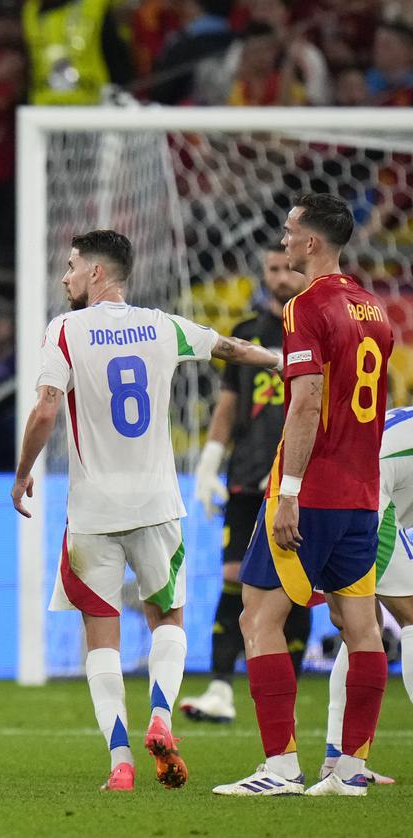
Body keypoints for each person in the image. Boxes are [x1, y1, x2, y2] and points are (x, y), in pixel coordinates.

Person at [11, 229, 283, 793]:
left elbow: (43, 410)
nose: (64, 277)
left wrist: (22, 475)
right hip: (158, 503)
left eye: (71, 266)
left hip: (92, 511)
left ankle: (121, 763)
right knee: (169, 618)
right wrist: (280, 359)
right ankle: (161, 715)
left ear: (97, 274)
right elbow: (231, 349)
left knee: (100, 635)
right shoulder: (163, 325)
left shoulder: (64, 330)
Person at [213, 193, 393, 798]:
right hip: (362, 493)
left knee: (258, 618)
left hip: (310, 491)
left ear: (311, 242)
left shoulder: (304, 307)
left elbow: (311, 402)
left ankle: (280, 768)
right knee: (359, 626)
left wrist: (288, 490)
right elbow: (358, 391)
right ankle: (348, 772)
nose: (285, 239)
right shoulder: (374, 308)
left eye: (290, 230)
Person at [181, 244, 311, 723]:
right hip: (248, 476)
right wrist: (210, 462)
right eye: (272, 269)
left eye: (286, 268)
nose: (279, 277)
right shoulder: (246, 334)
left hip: (299, 480)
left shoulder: (317, 327)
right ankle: (220, 686)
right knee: (234, 576)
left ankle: (287, 692)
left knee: (297, 584)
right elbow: (229, 404)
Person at [320, 404, 413, 785]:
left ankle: (339, 760)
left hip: (325, 493)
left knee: (360, 628)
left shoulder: (402, 420)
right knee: (409, 614)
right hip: (365, 496)